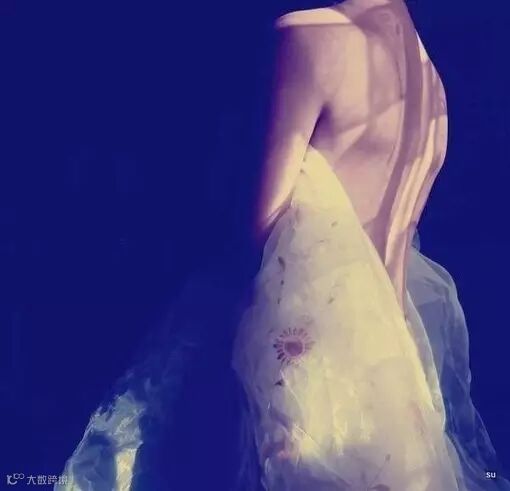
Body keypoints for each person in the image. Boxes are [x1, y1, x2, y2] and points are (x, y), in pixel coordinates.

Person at [57, 0, 509, 489]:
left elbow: (262, 229)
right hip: (393, 375)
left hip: (293, 363)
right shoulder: (431, 83)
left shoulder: (311, 36)